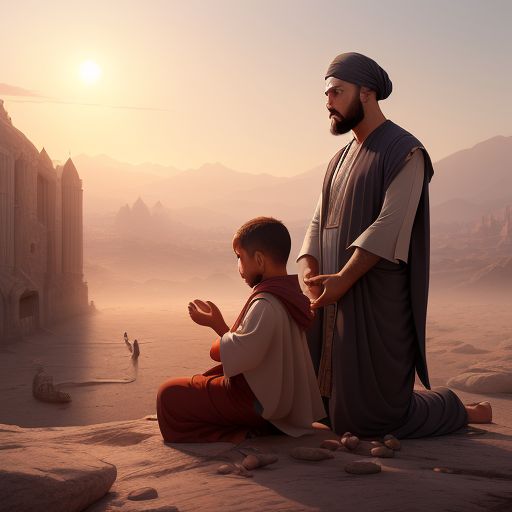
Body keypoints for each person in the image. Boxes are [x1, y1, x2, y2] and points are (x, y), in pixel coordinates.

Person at [297, 52, 492, 438]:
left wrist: (345, 278)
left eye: (337, 92)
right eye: (326, 94)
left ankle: (458, 409)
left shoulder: (406, 151)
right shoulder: (338, 160)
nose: (328, 102)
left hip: (373, 295)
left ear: (367, 93)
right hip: (333, 293)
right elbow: (318, 219)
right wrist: (309, 269)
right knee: (330, 411)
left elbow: (391, 224)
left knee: (373, 417)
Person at [157, 217, 326, 443]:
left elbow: (226, 354)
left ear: (258, 259)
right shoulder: (291, 297)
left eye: (239, 257)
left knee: (169, 394)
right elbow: (249, 349)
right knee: (187, 386)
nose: (238, 267)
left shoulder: (265, 303)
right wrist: (224, 330)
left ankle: (239, 434)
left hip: (258, 402)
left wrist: (216, 325)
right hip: (278, 400)